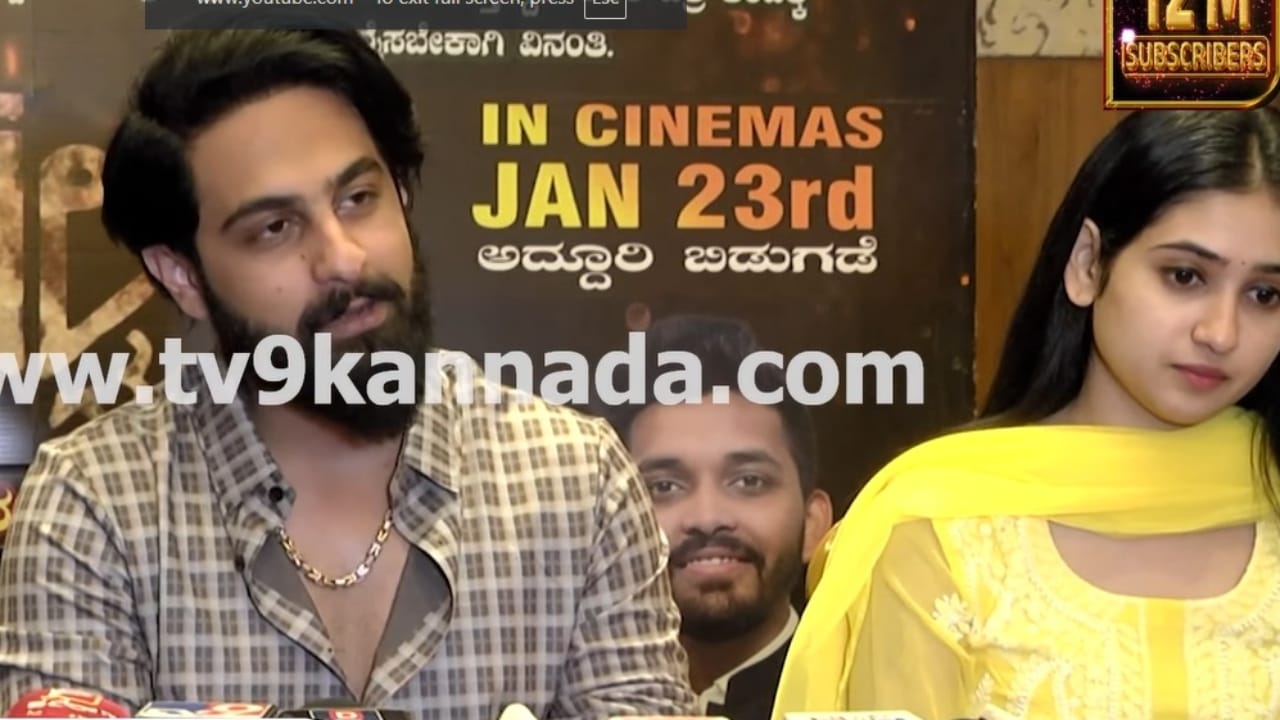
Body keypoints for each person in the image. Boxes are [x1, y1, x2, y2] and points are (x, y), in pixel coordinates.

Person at [0, 29, 698, 719]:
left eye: (358, 198)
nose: (343, 258)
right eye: (275, 228)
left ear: (403, 193)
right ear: (182, 274)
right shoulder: (93, 507)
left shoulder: (579, 481)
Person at [771, 108, 1280, 720]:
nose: (1221, 333)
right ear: (1088, 264)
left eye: (1265, 295)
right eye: (1184, 276)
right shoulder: (938, 529)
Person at [601, 314, 832, 720]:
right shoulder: (560, 703)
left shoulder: (867, 691)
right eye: (663, 486)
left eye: (749, 481)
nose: (707, 518)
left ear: (814, 524)